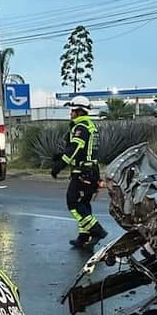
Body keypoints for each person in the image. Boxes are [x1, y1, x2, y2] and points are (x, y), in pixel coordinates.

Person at [51, 95, 108, 249]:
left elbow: (74, 149)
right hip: (91, 171)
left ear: (78, 112)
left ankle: (96, 230)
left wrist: (60, 165)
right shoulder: (90, 126)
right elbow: (78, 148)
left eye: (72, 111)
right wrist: (59, 156)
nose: (70, 114)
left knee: (73, 203)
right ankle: (84, 237)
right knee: (83, 203)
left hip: (83, 172)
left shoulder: (81, 128)